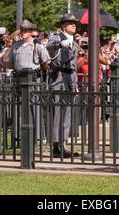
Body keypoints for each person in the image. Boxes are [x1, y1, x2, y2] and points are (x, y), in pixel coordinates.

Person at [46, 13, 80, 158]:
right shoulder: (57, 37)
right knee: (59, 112)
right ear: (64, 26)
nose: (74, 25)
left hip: (70, 79)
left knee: (67, 114)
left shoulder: (75, 42)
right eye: (70, 23)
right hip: (60, 77)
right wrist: (60, 44)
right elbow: (49, 46)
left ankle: (63, 143)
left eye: (74, 23)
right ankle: (55, 145)